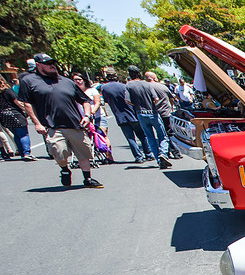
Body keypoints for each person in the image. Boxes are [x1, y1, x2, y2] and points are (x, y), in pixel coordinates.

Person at [16, 53, 102, 188]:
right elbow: (27, 104)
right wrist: (37, 123)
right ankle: (65, 170)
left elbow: (84, 100)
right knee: (59, 152)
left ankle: (88, 178)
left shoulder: (66, 81)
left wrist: (86, 116)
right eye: (48, 64)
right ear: (38, 65)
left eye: (53, 63)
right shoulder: (29, 81)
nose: (52, 66)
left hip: (75, 124)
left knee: (83, 152)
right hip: (52, 125)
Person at [97, 70, 150, 163]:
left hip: (120, 116)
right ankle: (148, 154)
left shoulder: (104, 88)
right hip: (132, 114)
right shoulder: (124, 86)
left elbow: (105, 100)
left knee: (130, 138)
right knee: (142, 136)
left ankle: (138, 157)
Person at [126, 65, 172, 168]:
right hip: (153, 112)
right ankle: (163, 154)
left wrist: (136, 105)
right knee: (163, 136)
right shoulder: (147, 85)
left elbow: (127, 100)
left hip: (140, 114)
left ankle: (158, 160)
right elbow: (155, 99)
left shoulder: (129, 85)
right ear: (139, 74)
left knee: (150, 138)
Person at [145, 71, 182, 159]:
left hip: (153, 113)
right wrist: (171, 108)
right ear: (155, 78)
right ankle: (175, 152)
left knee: (159, 134)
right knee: (169, 133)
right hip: (165, 113)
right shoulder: (162, 86)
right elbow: (171, 98)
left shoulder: (146, 87)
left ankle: (165, 152)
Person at [0, 75, 35, 160]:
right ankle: (26, 152)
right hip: (15, 114)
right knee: (23, 134)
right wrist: (26, 110)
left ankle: (21, 151)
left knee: (16, 135)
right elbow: (17, 102)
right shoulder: (8, 91)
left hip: (3, 115)